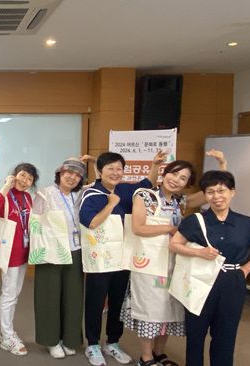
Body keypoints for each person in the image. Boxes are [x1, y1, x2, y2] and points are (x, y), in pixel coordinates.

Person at [121, 151, 227, 366]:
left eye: (183, 178)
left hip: (174, 263)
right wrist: (170, 227)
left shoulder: (181, 201)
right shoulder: (144, 195)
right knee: (150, 309)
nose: (176, 180)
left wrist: (222, 165)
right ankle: (146, 356)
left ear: (187, 184)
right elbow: (138, 227)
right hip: (148, 264)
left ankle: (160, 353)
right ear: (165, 173)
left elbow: (212, 193)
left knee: (169, 309)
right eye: (174, 173)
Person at [170, 170, 250, 366]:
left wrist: (246, 269)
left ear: (233, 192)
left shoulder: (246, 223)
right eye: (211, 192)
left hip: (232, 283)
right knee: (195, 335)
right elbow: (174, 245)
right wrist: (199, 253)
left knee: (226, 335)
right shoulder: (196, 221)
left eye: (221, 191)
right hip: (199, 282)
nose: (216, 196)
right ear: (205, 195)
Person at [79, 151, 165, 366]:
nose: (115, 173)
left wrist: (154, 164)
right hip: (100, 261)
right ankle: (93, 344)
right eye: (110, 168)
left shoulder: (126, 189)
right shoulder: (92, 194)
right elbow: (90, 223)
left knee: (118, 302)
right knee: (95, 303)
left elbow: (148, 182)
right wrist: (110, 204)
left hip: (123, 258)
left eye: (119, 169)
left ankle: (113, 342)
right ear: (100, 171)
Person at [33, 156, 93, 358]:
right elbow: (35, 223)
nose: (73, 178)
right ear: (60, 173)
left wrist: (92, 160)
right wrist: (39, 251)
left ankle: (70, 339)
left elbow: (106, 177)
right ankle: (51, 340)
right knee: (49, 296)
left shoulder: (82, 194)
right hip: (50, 252)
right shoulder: (44, 194)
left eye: (78, 175)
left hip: (75, 250)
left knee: (73, 297)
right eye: (69, 173)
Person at [0, 162, 38, 356]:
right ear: (15, 174)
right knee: (8, 294)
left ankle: (7, 332)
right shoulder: (3, 194)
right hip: (8, 253)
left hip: (23, 252)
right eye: (23, 175)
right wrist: (5, 187)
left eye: (30, 179)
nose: (25, 181)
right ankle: (6, 335)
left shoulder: (27, 197)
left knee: (15, 293)